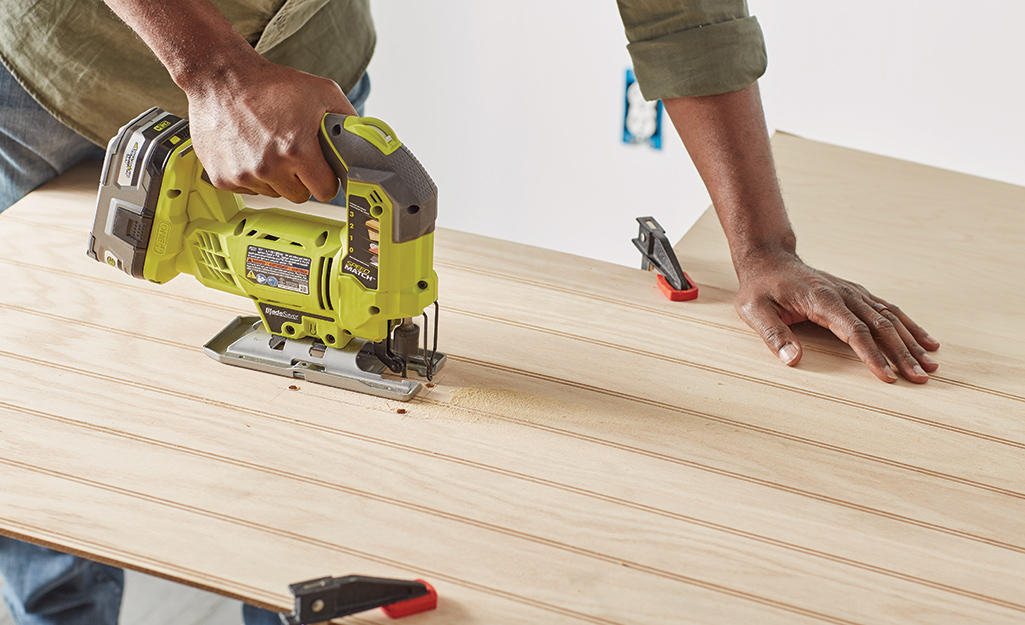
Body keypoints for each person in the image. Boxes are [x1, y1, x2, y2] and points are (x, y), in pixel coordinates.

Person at [0, 1, 941, 624]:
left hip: (300, 68)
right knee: (40, 415)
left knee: (302, 459)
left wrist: (762, 247)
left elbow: (682, 10)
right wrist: (208, 70)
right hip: (53, 72)